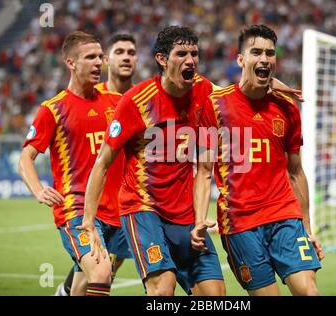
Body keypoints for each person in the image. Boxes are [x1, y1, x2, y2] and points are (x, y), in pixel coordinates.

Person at [78, 26, 226, 296]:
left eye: (194, 54)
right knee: (163, 288)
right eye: (181, 54)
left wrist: (275, 85)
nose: (190, 60)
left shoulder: (204, 90)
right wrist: (89, 221)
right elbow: (102, 162)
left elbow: (239, 92)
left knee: (215, 294)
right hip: (144, 209)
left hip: (185, 213)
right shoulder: (136, 101)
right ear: (162, 59)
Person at [192, 24, 325, 296]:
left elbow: (296, 172)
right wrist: (199, 218)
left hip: (284, 214)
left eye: (270, 53)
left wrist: (307, 226)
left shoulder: (287, 108)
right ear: (241, 59)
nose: (264, 59)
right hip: (240, 222)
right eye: (256, 52)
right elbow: (204, 171)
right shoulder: (215, 105)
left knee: (309, 292)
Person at [18, 31, 124, 296]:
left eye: (100, 57)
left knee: (86, 285)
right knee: (101, 274)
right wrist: (38, 189)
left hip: (117, 211)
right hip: (76, 209)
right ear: (71, 63)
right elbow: (25, 159)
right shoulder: (53, 109)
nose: (98, 63)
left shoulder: (116, 103)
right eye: (90, 57)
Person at [55, 33, 137, 297]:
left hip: (123, 202)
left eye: (131, 52)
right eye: (119, 52)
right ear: (107, 60)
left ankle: (65, 292)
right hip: (90, 206)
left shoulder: (140, 98)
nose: (126, 58)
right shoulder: (91, 96)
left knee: (104, 270)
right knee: (100, 270)